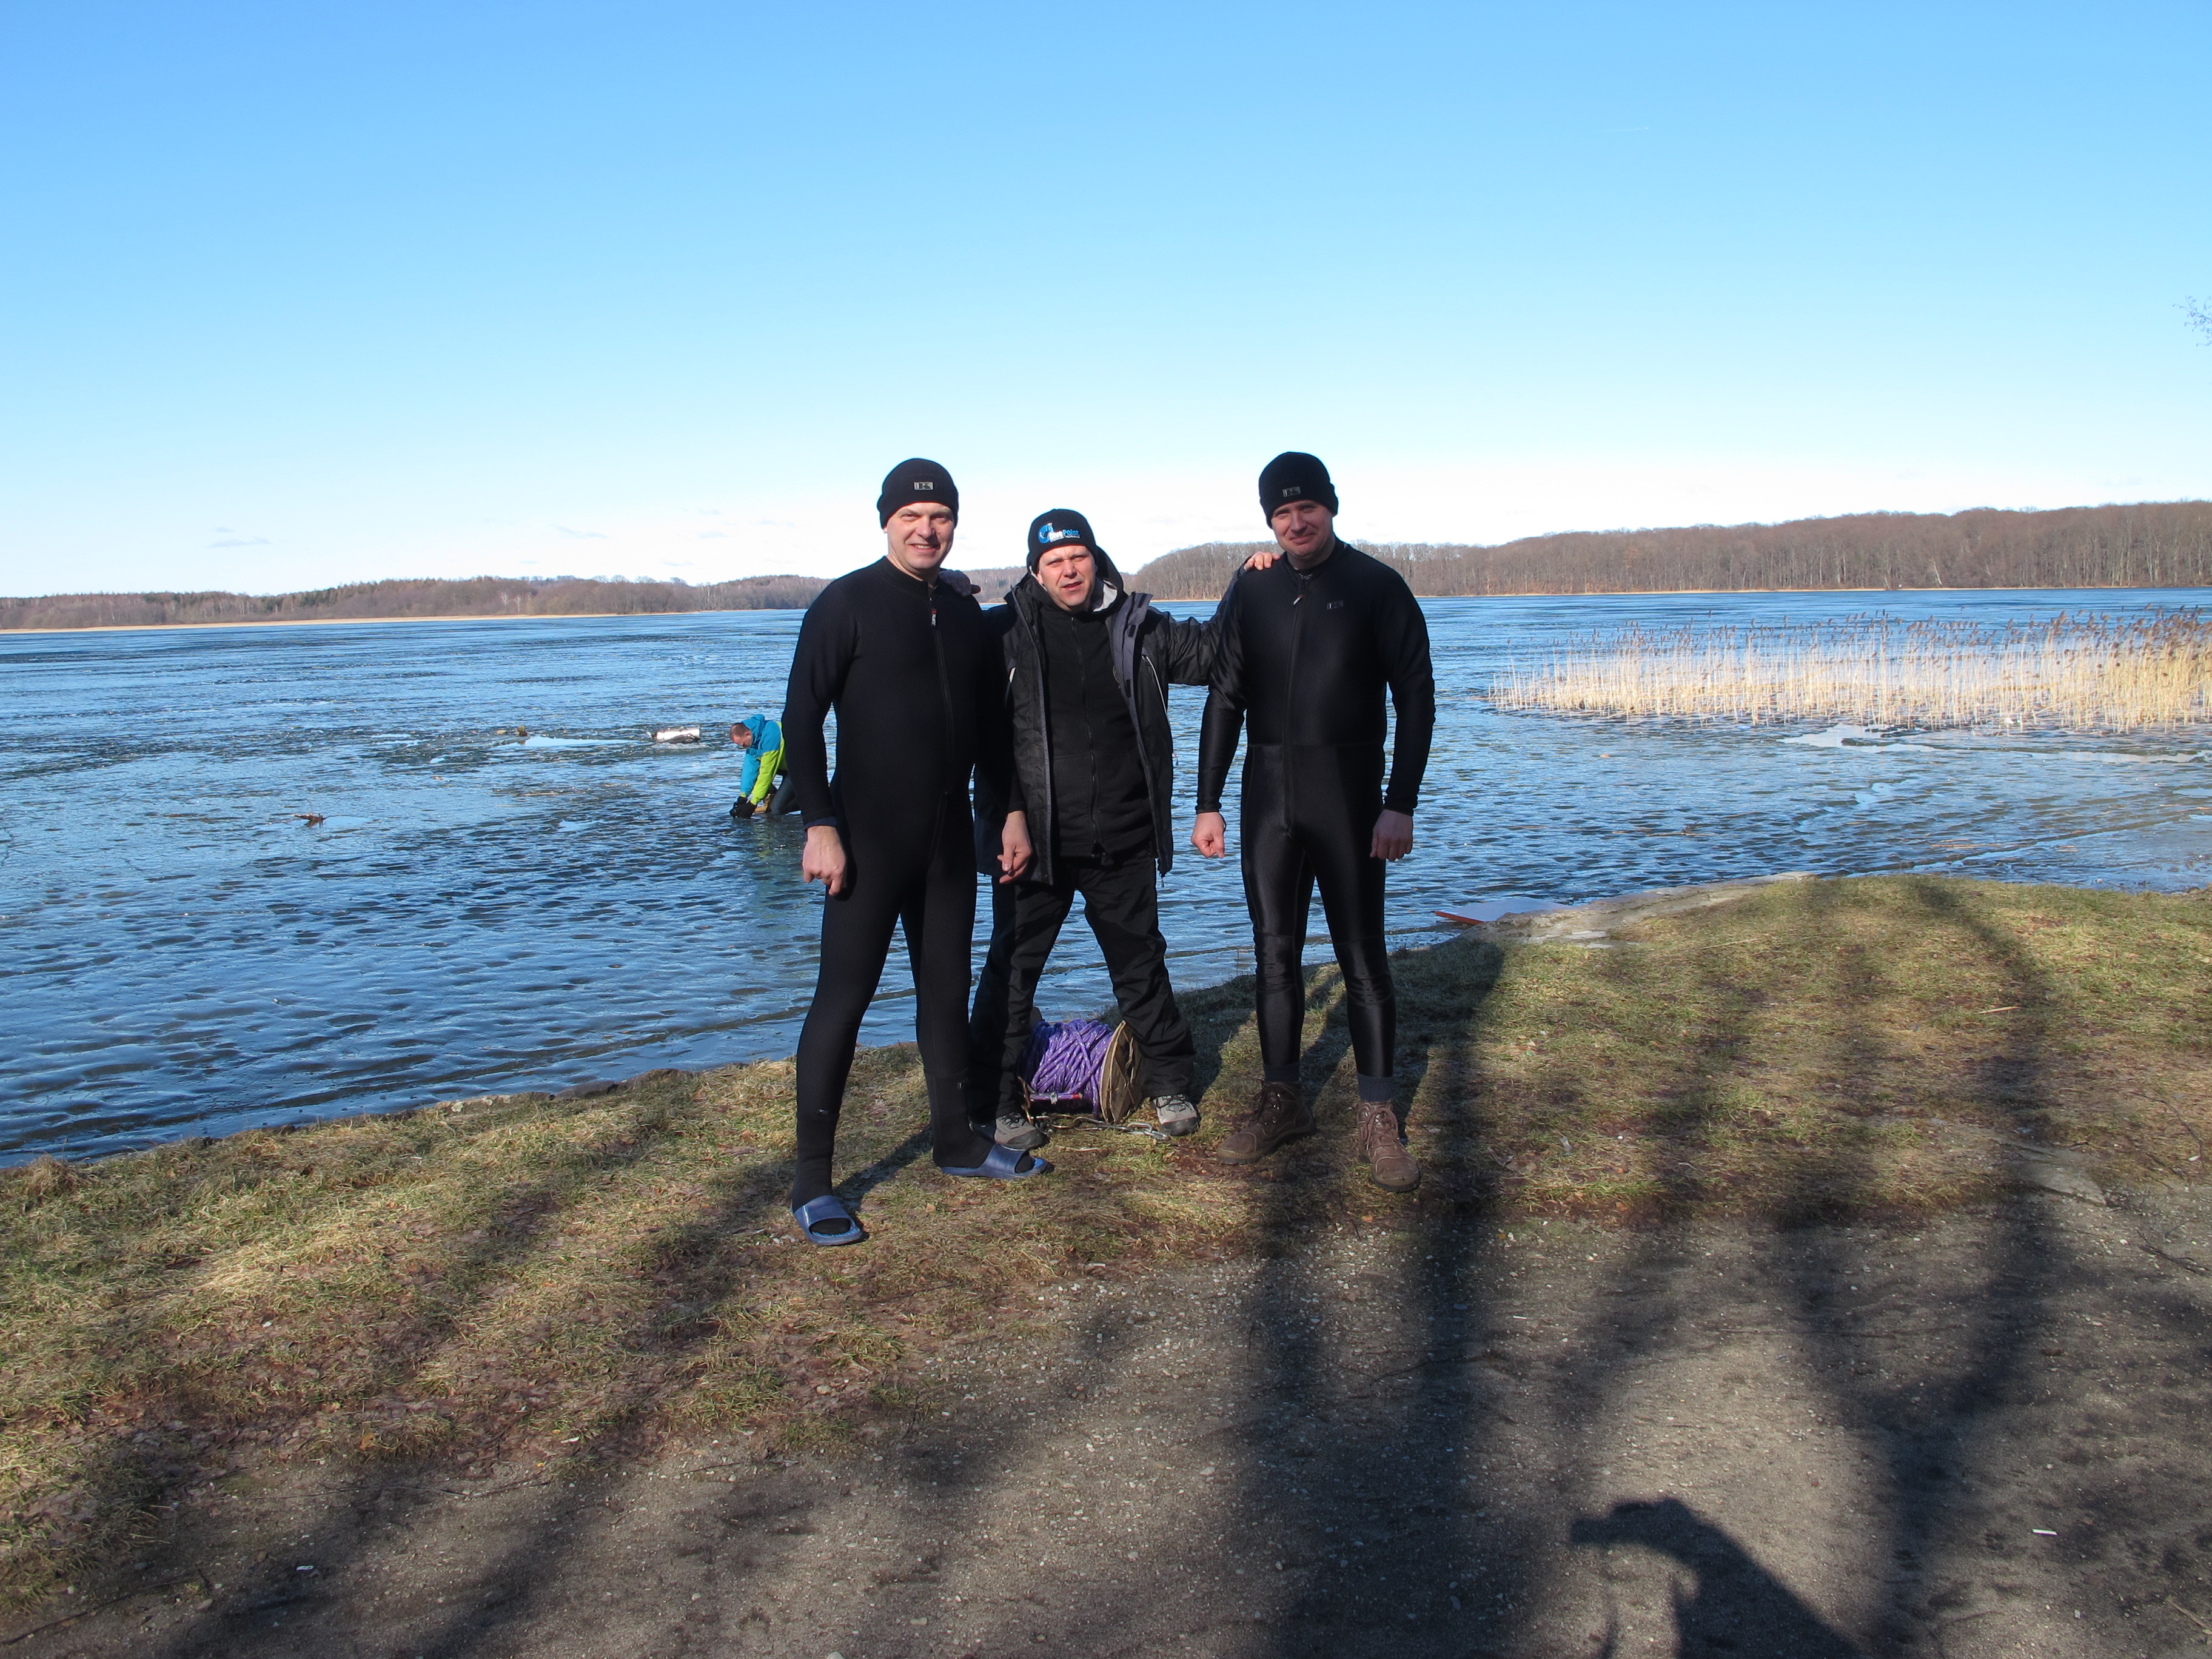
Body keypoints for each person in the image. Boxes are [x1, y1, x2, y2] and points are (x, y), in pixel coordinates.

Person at [779, 459, 1047, 1246]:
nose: (927, 530)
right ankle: (812, 1182)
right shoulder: (847, 603)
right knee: (843, 1000)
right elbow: (800, 718)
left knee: (944, 994)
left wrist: (1010, 813)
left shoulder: (963, 614)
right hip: (865, 840)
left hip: (946, 844)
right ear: (886, 521)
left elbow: (992, 731)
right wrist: (819, 824)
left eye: (940, 518)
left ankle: (956, 1142)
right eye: (912, 517)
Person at [1191, 452, 1436, 1191]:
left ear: (1331, 506)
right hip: (1268, 798)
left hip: (1350, 797)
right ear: (1268, 519)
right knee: (1274, 954)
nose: (1297, 522)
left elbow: (1416, 698)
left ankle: (1378, 1115)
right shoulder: (1254, 588)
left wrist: (1401, 802)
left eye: (1308, 508)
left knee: (1362, 958)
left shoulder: (1376, 587)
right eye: (1282, 512)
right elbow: (1226, 697)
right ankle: (1282, 1101)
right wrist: (1207, 801)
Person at [968, 509, 1218, 1149]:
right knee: (1012, 972)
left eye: (1077, 556)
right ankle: (994, 1100)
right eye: (1054, 562)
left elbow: (1217, 653)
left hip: (1124, 836)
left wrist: (1253, 578)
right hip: (1032, 842)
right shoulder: (1001, 634)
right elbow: (972, 727)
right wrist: (1004, 817)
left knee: (1141, 965)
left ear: (1095, 559)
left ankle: (1168, 1082)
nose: (1069, 570)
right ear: (1036, 572)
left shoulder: (1139, 626)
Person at [728, 715, 791, 820]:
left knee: (777, 809)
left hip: (800, 768)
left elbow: (767, 772)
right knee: (755, 774)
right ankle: (772, 798)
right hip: (785, 767)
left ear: (748, 734)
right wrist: (743, 797)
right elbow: (749, 770)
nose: (744, 747)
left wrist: (753, 803)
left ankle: (810, 802)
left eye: (743, 744)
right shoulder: (753, 742)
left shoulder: (772, 735)